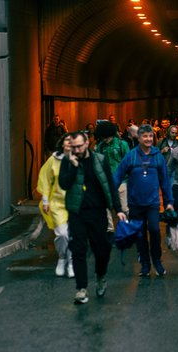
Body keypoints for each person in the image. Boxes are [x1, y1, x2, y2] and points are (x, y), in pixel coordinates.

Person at [59, 131, 126, 304]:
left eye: (80, 146)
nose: (77, 150)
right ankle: (81, 288)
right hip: (77, 213)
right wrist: (73, 166)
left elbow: (109, 184)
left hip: (98, 213)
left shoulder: (100, 160)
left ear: (87, 143)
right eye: (74, 147)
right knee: (79, 250)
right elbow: (64, 184)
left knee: (102, 249)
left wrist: (117, 209)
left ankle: (101, 275)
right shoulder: (67, 160)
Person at [114, 124, 174, 278]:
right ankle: (145, 264)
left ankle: (157, 261)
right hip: (134, 203)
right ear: (138, 138)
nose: (148, 139)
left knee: (154, 230)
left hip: (153, 203)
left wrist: (169, 201)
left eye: (150, 136)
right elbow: (118, 175)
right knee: (139, 235)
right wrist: (110, 193)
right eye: (145, 136)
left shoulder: (157, 156)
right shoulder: (131, 155)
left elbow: (165, 181)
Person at [37, 133, 74, 278]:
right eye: (67, 140)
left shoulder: (78, 159)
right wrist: (45, 200)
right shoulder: (53, 160)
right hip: (57, 203)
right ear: (62, 143)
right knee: (62, 234)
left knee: (73, 235)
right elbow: (45, 179)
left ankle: (71, 263)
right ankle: (62, 257)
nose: (69, 143)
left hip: (74, 203)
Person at [94, 120, 131, 216]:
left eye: (107, 136)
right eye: (103, 137)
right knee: (107, 208)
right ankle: (109, 230)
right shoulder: (100, 146)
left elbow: (128, 162)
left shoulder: (122, 144)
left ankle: (129, 227)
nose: (105, 139)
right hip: (106, 180)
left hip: (122, 180)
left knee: (125, 208)